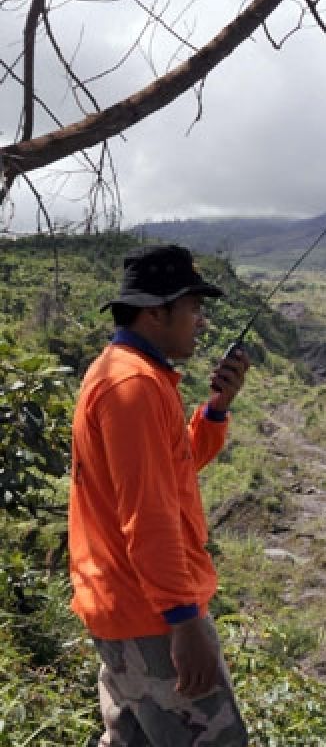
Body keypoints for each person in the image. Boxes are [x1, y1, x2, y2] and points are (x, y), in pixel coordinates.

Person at [68, 244, 252, 746]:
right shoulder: (133, 387)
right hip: (150, 618)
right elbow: (148, 516)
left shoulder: (127, 374)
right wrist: (184, 622)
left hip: (125, 611)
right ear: (156, 311)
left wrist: (216, 409)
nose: (202, 321)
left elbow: (168, 473)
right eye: (193, 307)